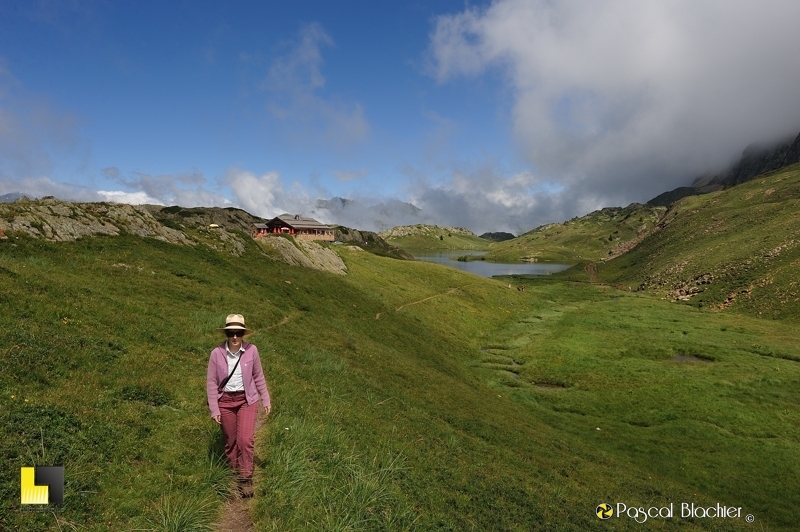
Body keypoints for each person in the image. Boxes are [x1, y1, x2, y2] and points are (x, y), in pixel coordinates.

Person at [206, 314, 271, 497]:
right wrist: (214, 408)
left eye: (239, 333)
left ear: (243, 333)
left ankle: (245, 478)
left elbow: (258, 376)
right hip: (225, 402)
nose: (235, 337)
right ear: (226, 333)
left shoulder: (252, 350)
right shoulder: (216, 353)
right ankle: (234, 472)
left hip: (246, 400)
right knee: (230, 442)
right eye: (231, 333)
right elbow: (211, 382)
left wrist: (265, 398)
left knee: (245, 440)